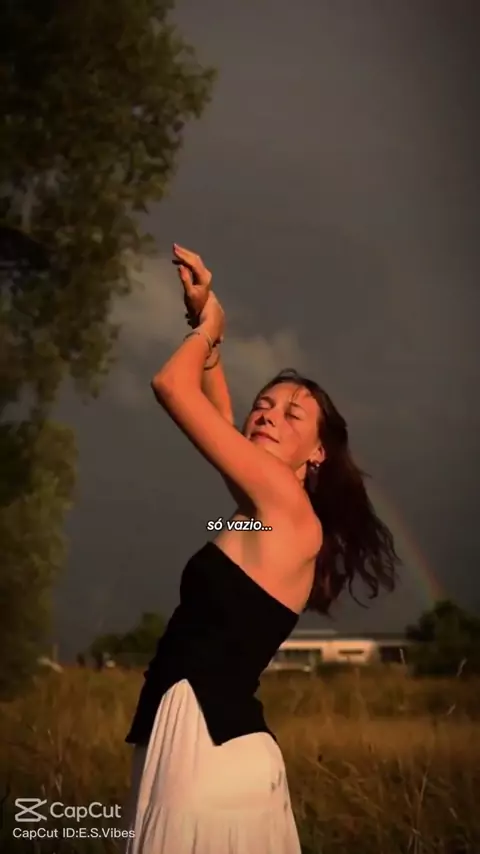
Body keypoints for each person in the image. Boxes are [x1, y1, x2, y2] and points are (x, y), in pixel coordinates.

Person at [123, 244, 400, 853]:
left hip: (206, 746)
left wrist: (209, 328)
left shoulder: (282, 506)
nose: (269, 416)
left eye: (293, 415)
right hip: (208, 741)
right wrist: (207, 322)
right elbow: (218, 417)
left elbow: (172, 385)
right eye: (264, 406)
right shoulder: (264, 519)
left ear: (318, 453)